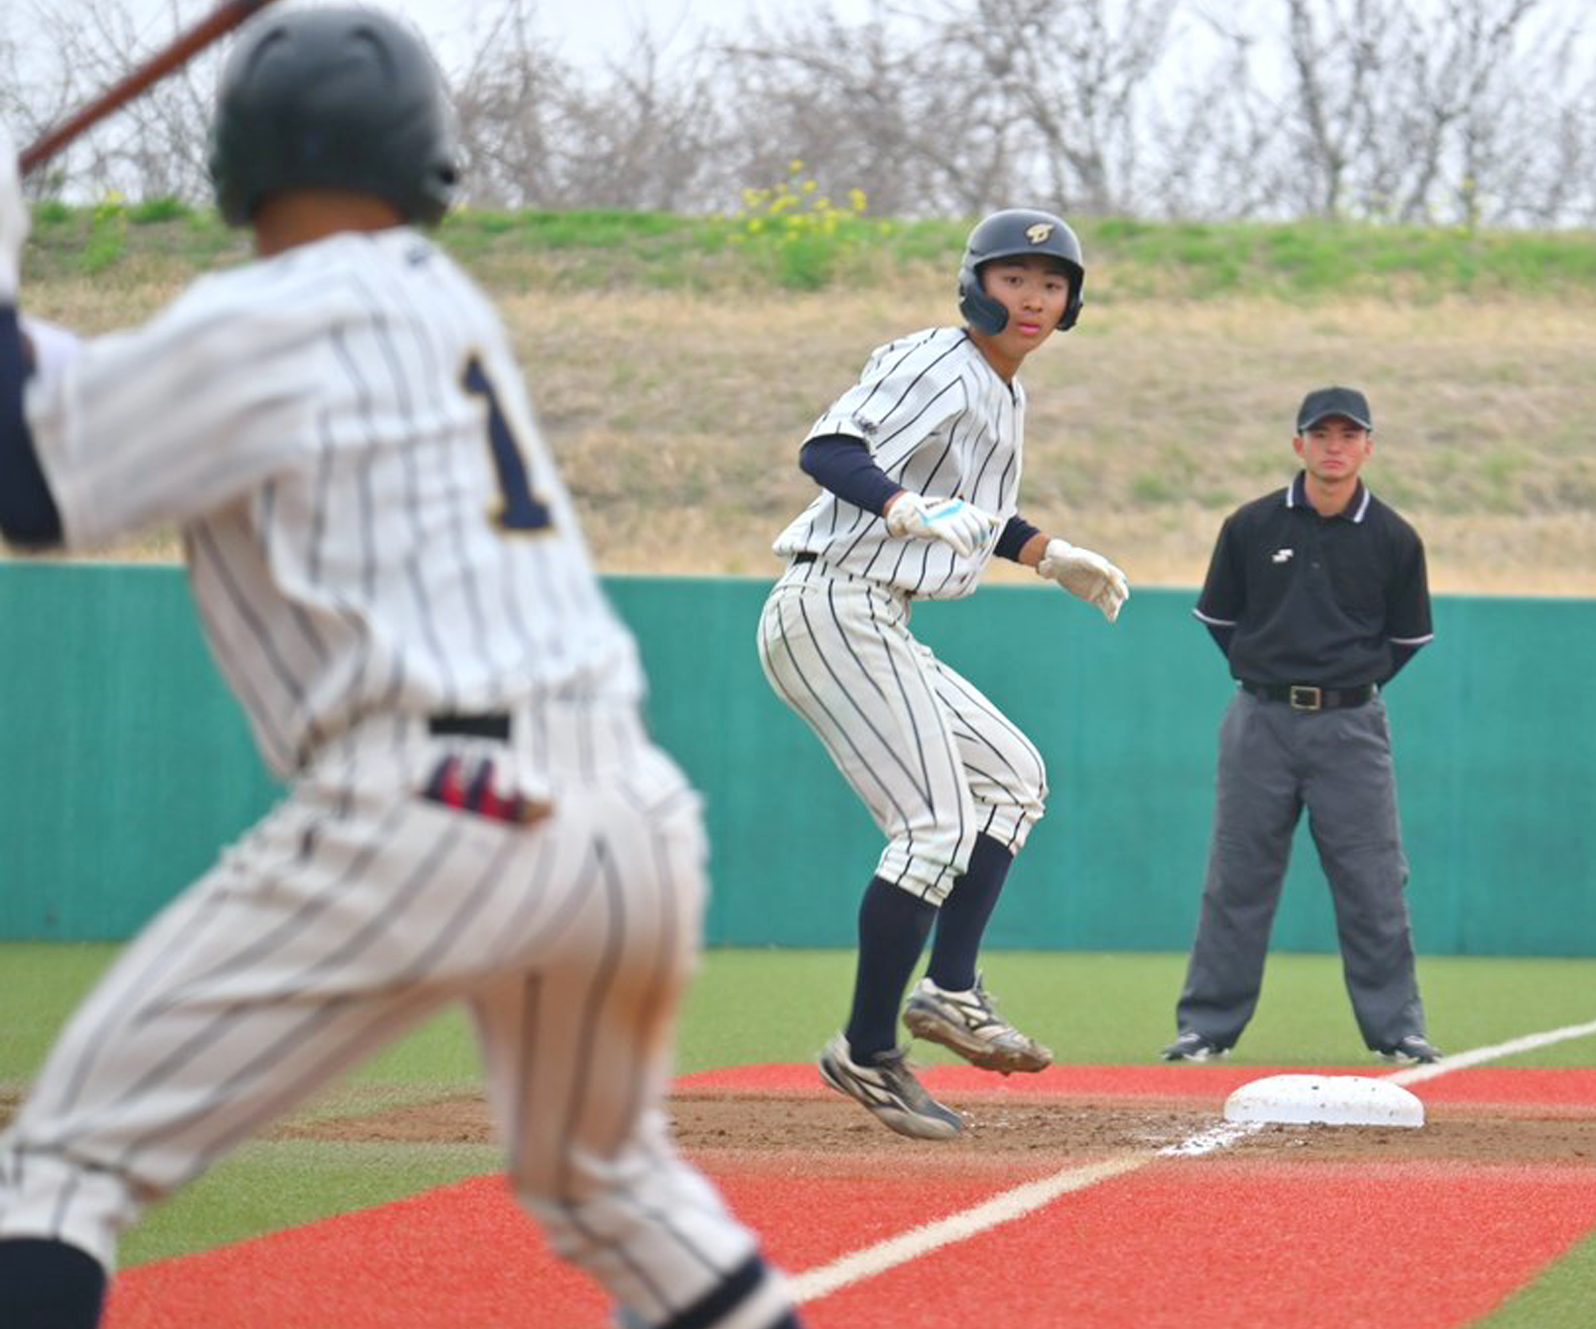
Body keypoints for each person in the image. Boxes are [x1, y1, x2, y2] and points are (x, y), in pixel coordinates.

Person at [0, 10, 804, 1328]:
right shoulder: (430, 303)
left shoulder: (272, 313)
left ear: (241, 161)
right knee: (610, 1190)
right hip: (632, 821)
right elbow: (81, 394)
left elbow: (32, 484)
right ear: (423, 160)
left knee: (59, 1168)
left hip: (437, 809)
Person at [756, 208, 1129, 1140]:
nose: (1034, 297)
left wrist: (1051, 555)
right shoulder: (937, 359)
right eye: (1015, 278)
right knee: (934, 827)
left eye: (1052, 283)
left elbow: (975, 516)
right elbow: (828, 448)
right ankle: (868, 1050)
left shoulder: (1002, 391)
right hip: (831, 603)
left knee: (1013, 778)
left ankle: (951, 990)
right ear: (976, 284)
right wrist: (900, 502)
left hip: (876, 612)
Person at [1162, 386, 1442, 1066]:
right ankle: (1206, 1028)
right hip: (1259, 721)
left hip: (1352, 728)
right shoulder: (1253, 526)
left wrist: (1345, 687)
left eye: (1350, 435)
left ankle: (1397, 1030)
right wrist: (1273, 680)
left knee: (1374, 879)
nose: (1335, 446)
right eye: (1323, 434)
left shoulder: (1395, 537)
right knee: (1237, 876)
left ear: (1369, 447)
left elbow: (1405, 638)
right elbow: (1222, 621)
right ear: (1299, 444)